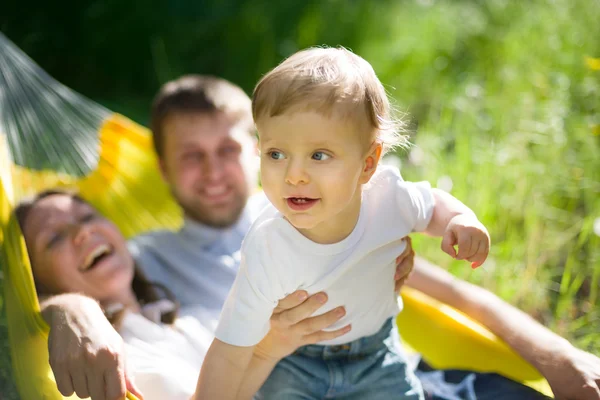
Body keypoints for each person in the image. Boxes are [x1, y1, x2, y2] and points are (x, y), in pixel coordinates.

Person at [42, 74, 600, 400]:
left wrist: (557, 355)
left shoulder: (326, 209)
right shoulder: (150, 259)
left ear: (260, 149)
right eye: (191, 157)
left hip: (408, 378)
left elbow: (450, 291)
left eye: (228, 151)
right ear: (160, 170)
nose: (212, 172)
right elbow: (74, 284)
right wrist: (71, 311)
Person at [195, 47, 490, 400]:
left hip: (375, 355)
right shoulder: (268, 246)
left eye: (319, 155)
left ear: (368, 163)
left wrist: (460, 219)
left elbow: (432, 206)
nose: (294, 175)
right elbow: (230, 352)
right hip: (293, 363)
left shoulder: (387, 197)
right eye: (276, 154)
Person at [16, 190, 372, 400]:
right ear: (36, 280)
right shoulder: (94, 361)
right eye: (55, 238)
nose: (82, 231)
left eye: (88, 215)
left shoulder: (189, 315)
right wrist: (68, 309)